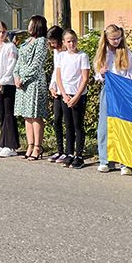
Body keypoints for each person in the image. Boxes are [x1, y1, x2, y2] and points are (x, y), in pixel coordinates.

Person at [94, 24, 132, 175]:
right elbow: (97, 76)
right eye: (113, 38)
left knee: (123, 125)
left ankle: (125, 161)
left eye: (118, 38)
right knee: (105, 126)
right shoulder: (102, 54)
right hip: (108, 90)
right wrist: (101, 73)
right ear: (106, 38)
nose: (116, 41)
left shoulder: (126, 53)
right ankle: (105, 160)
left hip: (124, 92)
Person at [53, 29, 92, 169]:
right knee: (68, 125)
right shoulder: (61, 56)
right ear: (64, 42)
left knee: (78, 125)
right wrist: (63, 94)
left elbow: (85, 78)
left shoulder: (82, 56)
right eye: (68, 41)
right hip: (65, 94)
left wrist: (76, 96)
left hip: (78, 95)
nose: (71, 43)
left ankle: (79, 155)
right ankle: (69, 153)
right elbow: (58, 76)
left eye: (74, 40)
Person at [13, 16, 50, 160]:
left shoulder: (41, 42)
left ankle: (38, 147)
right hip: (22, 84)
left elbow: (37, 64)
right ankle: (29, 144)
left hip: (34, 83)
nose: (28, 26)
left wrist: (24, 78)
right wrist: (16, 76)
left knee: (35, 115)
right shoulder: (26, 42)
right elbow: (19, 61)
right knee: (27, 116)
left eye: (30, 24)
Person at [0, 22, 19, 156]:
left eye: (3, 32)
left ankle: (11, 145)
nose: (1, 34)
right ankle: (2, 142)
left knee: (8, 114)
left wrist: (2, 82)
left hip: (7, 84)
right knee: (2, 114)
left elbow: (11, 67)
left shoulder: (10, 47)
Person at [44, 26, 66, 163]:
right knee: (57, 120)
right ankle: (60, 149)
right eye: (50, 42)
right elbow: (55, 71)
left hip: (67, 89)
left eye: (54, 41)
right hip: (57, 89)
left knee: (68, 123)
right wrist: (52, 86)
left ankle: (69, 151)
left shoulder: (67, 52)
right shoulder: (56, 52)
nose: (52, 44)